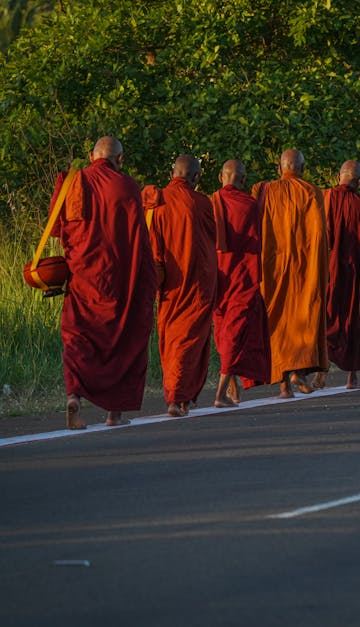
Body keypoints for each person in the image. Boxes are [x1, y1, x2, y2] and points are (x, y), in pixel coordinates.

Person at [51, 137, 157, 429]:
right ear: (120, 160)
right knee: (124, 338)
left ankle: (74, 396)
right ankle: (115, 414)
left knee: (78, 338)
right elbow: (138, 239)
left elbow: (59, 229)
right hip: (120, 278)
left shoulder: (73, 182)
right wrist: (147, 278)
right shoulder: (127, 186)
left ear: (91, 155)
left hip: (83, 278)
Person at [253, 149, 329, 397]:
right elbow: (318, 237)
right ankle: (299, 372)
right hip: (304, 269)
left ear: (279, 168)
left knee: (277, 322)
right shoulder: (311, 191)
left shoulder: (264, 191)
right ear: (303, 168)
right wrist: (319, 271)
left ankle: (284, 383)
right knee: (303, 318)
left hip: (272, 268)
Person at [150, 155, 217, 417]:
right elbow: (212, 244)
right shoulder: (202, 203)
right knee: (191, 339)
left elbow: (153, 245)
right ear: (197, 177)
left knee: (172, 338)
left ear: (172, 172)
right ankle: (180, 397)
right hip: (197, 281)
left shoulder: (157, 201)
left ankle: (176, 395)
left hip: (170, 283)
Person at [210, 159, 270, 407]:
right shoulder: (250, 205)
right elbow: (260, 240)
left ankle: (232, 386)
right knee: (235, 332)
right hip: (243, 276)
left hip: (218, 277)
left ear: (220, 177)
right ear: (243, 180)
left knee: (224, 331)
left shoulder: (210, 203)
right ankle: (220, 394)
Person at [324, 160, 360, 389]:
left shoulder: (325, 198)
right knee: (354, 319)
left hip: (329, 271)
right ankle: (352, 378)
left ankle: (321, 373)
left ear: (339, 176)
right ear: (358, 181)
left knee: (328, 319)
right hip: (355, 274)